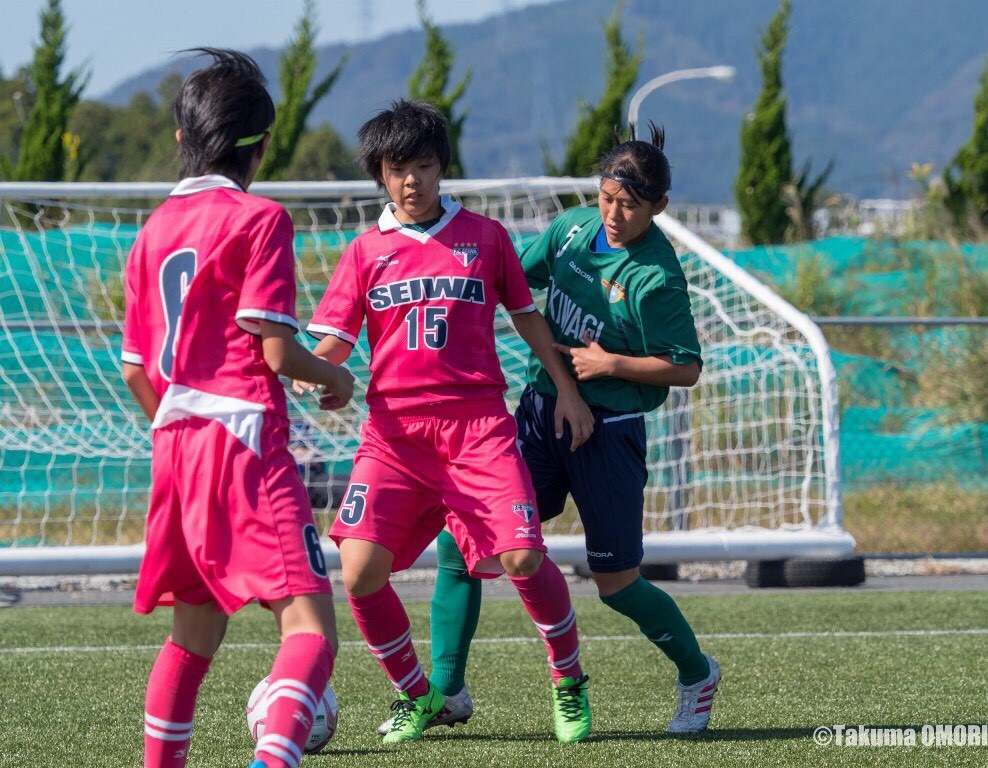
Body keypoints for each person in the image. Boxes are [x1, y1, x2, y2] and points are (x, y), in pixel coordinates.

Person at [382, 123, 720, 737]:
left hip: (608, 431)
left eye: (631, 206)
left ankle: (697, 673)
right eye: (608, 198)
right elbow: (511, 279)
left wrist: (608, 365)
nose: (614, 215)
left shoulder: (657, 278)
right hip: (542, 413)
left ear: (659, 208)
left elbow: (687, 368)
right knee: (464, 545)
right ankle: (447, 691)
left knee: (615, 583)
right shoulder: (569, 232)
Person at [296, 99, 596, 744]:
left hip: (478, 429)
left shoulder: (486, 238)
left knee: (521, 558)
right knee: (357, 571)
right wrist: (316, 373)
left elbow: (525, 315)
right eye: (399, 168)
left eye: (424, 165)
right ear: (380, 174)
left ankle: (569, 681)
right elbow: (334, 342)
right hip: (396, 436)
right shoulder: (364, 252)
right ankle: (418, 695)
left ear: (442, 167)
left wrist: (567, 389)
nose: (413, 181)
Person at [120, 48, 354, 768]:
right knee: (311, 631)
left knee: (192, 638)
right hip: (244, 441)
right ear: (263, 144)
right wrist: (335, 380)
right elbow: (278, 353)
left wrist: (181, 421)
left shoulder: (149, 234)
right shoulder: (259, 219)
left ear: (180, 141)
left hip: (175, 444)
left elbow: (136, 371)